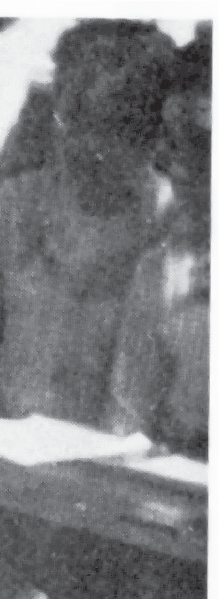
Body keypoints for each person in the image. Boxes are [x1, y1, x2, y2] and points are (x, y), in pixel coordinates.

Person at [0, 21, 176, 425]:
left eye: (111, 129)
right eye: (72, 120)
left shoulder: (175, 232)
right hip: (0, 443)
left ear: (154, 134)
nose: (85, 147)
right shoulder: (12, 207)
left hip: (108, 463)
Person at [108, 24, 210, 458]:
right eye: (171, 140)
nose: (176, 164)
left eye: (202, 142)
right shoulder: (163, 268)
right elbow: (124, 426)